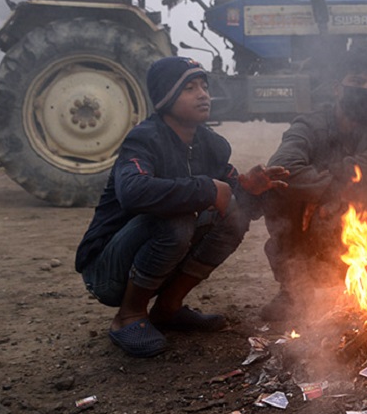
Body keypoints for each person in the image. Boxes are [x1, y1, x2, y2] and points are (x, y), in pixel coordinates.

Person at [74, 56, 288, 358]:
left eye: (204, 86)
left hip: (152, 256)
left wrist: (250, 190)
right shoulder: (143, 140)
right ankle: (129, 317)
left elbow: (235, 206)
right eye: (189, 88)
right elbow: (132, 193)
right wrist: (205, 187)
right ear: (166, 97)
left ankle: (168, 309)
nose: (203, 94)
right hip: (107, 272)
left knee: (234, 220)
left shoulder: (211, 145)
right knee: (176, 220)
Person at [259, 46, 367, 322]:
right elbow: (284, 167)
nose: (365, 89)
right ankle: (294, 290)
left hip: (365, 223)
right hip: (310, 228)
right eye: (356, 81)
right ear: (338, 87)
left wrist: (331, 187)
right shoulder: (310, 123)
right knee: (276, 192)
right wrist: (346, 189)